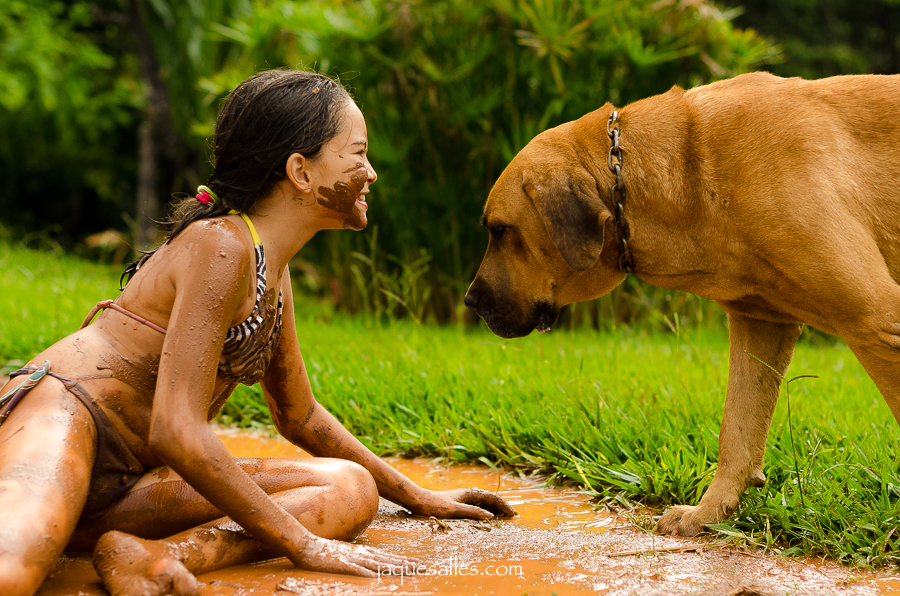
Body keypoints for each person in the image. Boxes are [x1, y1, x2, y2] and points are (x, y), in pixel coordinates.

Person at [0, 69, 515, 596]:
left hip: (127, 485)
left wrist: (419, 496)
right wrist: (304, 544)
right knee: (11, 573)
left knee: (350, 489)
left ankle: (160, 557)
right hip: (67, 419)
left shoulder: (273, 268)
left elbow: (300, 416)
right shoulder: (222, 245)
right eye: (358, 154)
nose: (371, 173)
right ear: (300, 171)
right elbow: (176, 430)